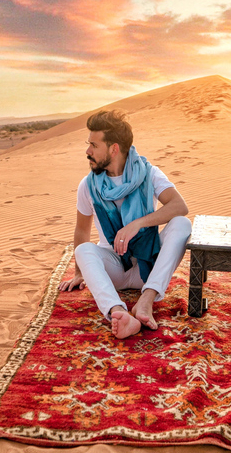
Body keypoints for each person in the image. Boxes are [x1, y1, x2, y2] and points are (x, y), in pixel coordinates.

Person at [59, 109, 191, 339]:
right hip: (114, 270)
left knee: (182, 224)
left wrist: (138, 224)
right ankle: (119, 312)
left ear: (114, 148)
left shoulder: (149, 174)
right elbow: (81, 231)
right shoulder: (88, 185)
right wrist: (80, 273)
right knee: (84, 250)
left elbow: (179, 206)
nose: (87, 151)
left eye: (93, 145)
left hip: (146, 267)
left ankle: (146, 301)